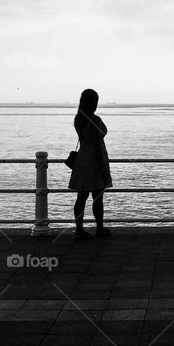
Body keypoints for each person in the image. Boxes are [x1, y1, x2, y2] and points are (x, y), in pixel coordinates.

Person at [68, 88, 113, 239]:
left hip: (82, 159)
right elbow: (98, 144)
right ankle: (99, 228)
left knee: (81, 197)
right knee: (98, 196)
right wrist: (103, 168)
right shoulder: (95, 120)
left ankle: (79, 229)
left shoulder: (78, 119)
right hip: (94, 159)